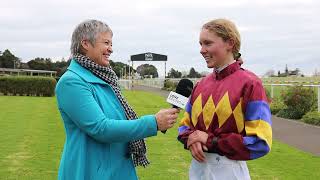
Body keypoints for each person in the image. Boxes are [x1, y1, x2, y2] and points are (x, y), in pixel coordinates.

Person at [55, 19, 179, 180]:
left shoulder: (105, 78)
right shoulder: (72, 82)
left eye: (111, 44)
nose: (111, 49)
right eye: (106, 43)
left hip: (117, 169)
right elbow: (101, 128)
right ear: (85, 43)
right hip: (90, 170)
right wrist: (153, 123)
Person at [177, 18, 272, 180]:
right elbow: (184, 127)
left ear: (230, 43)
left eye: (207, 43)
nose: (202, 50)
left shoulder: (251, 83)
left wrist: (210, 140)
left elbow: (260, 142)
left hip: (231, 172)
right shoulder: (200, 85)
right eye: (200, 44)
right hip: (198, 171)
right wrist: (191, 140)